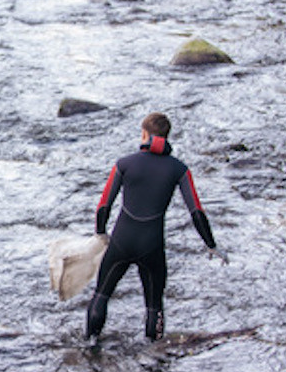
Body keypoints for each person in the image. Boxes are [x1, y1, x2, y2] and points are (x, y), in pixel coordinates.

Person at [87, 112, 227, 341]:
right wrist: (211, 245)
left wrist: (101, 233)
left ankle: (90, 346)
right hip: (152, 245)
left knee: (102, 294)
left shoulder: (124, 164)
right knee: (154, 306)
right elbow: (196, 211)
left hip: (122, 240)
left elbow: (104, 205)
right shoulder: (179, 169)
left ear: (144, 134)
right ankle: (154, 354)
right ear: (167, 136)